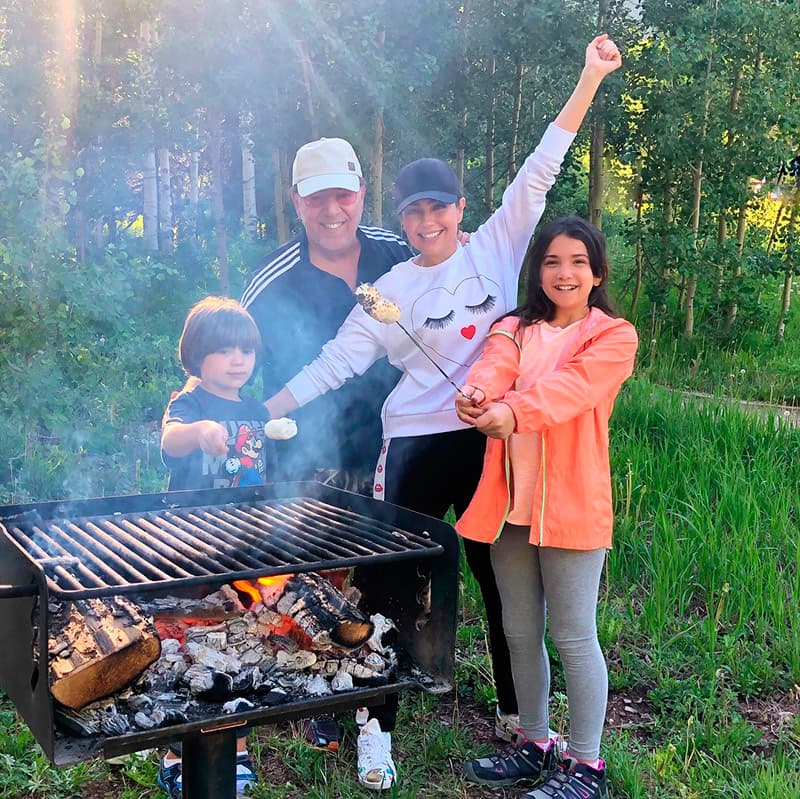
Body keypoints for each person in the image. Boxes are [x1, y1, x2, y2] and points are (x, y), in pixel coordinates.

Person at [264, 35, 623, 791]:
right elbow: (334, 362)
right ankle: (375, 728)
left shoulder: (498, 244)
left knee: (503, 580)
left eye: (440, 208)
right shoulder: (387, 290)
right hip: (421, 443)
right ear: (403, 219)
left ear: (461, 209)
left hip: (495, 440)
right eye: (414, 212)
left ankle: (522, 722)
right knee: (392, 582)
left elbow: (544, 160)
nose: (427, 222)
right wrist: (268, 404)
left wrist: (590, 76)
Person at [242, 135, 518, 789]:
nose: (332, 210)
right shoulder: (271, 278)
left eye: (343, 194)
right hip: (310, 451)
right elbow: (253, 362)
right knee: (310, 578)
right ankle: (323, 701)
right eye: (318, 199)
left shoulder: (397, 256)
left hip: (401, 444)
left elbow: (456, 268)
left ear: (361, 195)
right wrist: (249, 419)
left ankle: (388, 685)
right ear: (297, 203)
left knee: (389, 582)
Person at [456, 216, 638, 799]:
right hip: (511, 504)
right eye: (553, 261)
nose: (564, 273)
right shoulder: (513, 327)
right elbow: (493, 366)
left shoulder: (613, 336)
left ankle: (587, 768)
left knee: (574, 635)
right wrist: (480, 394)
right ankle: (535, 743)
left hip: (573, 507)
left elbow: (571, 391)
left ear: (597, 272)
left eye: (578, 262)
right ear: (537, 270)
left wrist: (512, 413)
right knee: (518, 629)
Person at [158, 296, 279, 798]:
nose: (238, 360)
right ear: (196, 357)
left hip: (244, 540)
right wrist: (200, 431)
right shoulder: (189, 403)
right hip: (192, 542)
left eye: (246, 351)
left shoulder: (255, 408)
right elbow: (170, 441)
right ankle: (175, 750)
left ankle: (237, 748)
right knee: (188, 645)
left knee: (243, 640)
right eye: (225, 350)